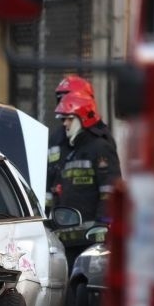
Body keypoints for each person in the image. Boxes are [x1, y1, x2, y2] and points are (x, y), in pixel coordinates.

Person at [47, 75, 117, 209]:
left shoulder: (100, 141)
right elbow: (49, 176)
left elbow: (108, 184)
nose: (63, 103)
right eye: (60, 99)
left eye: (67, 97)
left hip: (88, 219)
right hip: (62, 216)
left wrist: (102, 223)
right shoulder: (57, 137)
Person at [54, 91, 121, 223]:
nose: (65, 123)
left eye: (69, 119)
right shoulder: (69, 150)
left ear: (82, 118)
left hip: (91, 231)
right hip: (69, 229)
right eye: (63, 119)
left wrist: (101, 226)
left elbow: (110, 190)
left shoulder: (101, 148)